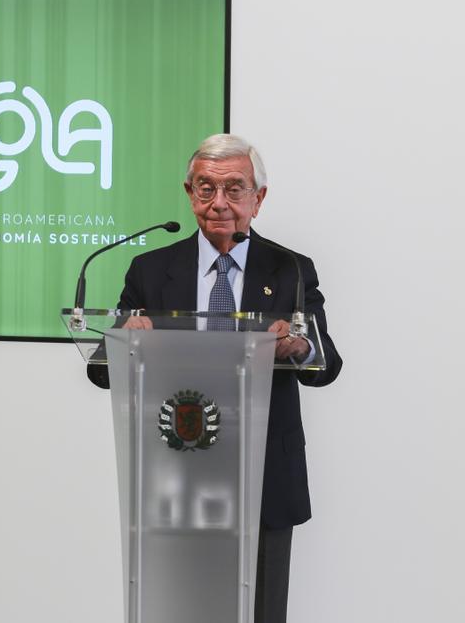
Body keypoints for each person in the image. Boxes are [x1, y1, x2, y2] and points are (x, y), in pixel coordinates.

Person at [87, 133, 342, 623]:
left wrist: (299, 346)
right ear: (189, 193)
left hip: (263, 473)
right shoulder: (151, 269)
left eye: (234, 189)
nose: (218, 204)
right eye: (205, 189)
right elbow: (101, 370)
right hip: (175, 477)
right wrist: (124, 339)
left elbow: (325, 364)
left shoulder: (290, 269)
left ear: (258, 198)